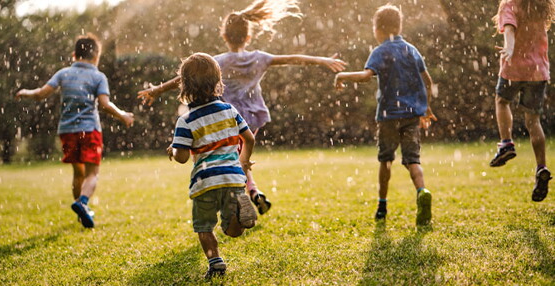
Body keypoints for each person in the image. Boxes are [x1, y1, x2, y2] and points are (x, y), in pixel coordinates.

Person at [137, 0, 347, 215]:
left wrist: (157, 90)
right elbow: (293, 59)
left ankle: (240, 197)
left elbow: (185, 76)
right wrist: (321, 60)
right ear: (248, 37)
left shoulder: (219, 61)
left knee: (225, 158)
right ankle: (252, 193)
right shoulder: (259, 58)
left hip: (223, 119)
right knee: (239, 158)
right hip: (251, 118)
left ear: (224, 36)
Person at [15, 33, 134, 228]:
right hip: (89, 130)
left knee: (78, 174)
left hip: (67, 131)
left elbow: (41, 94)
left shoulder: (64, 73)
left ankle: (81, 215)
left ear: (74, 55)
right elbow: (104, 104)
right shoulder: (98, 76)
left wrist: (26, 92)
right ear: (96, 57)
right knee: (92, 173)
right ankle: (82, 203)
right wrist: (123, 115)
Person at [334, 4, 436, 226]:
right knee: (413, 160)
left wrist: (342, 75)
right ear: (398, 26)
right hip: (411, 116)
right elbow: (427, 81)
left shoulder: (380, 51)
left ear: (377, 29)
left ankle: (382, 205)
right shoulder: (411, 49)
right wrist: (426, 108)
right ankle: (422, 190)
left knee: (385, 160)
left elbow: (364, 76)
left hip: (389, 116)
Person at [167, 53, 257, 279]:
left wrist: (173, 149)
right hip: (233, 179)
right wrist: (243, 163)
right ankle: (238, 215)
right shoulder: (229, 110)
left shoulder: (185, 121)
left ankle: (215, 261)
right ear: (217, 82)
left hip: (205, 182)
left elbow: (182, 158)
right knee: (232, 230)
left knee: (204, 227)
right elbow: (250, 139)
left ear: (185, 86)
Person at [491, 0, 553, 201]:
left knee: (502, 101)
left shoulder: (510, 4)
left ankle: (506, 143)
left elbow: (509, 29)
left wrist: (509, 48)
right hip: (538, 71)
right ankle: (541, 167)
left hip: (513, 68)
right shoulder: (540, 6)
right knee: (533, 121)